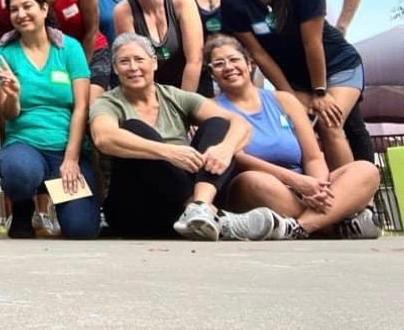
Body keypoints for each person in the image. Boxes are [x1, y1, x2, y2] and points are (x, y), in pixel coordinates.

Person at [89, 33, 269, 241]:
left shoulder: (174, 96)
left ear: (154, 63)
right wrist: (168, 152)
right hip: (137, 210)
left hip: (180, 209)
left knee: (219, 125)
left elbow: (240, 125)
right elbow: (104, 137)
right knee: (134, 128)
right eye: (124, 62)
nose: (133, 67)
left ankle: (200, 208)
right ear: (115, 68)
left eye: (139, 59)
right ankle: (215, 218)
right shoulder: (108, 103)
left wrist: (225, 149)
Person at [206, 35, 381, 239]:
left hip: (305, 186)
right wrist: (296, 181)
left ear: (249, 63)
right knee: (254, 181)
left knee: (366, 170)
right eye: (219, 64)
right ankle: (332, 225)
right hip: (259, 187)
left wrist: (317, 188)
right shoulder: (211, 108)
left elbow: (313, 157)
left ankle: (300, 227)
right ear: (212, 73)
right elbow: (238, 159)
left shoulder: (284, 100)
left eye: (234, 59)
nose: (228, 67)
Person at [221, 0, 366, 170]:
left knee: (330, 124)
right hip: (294, 79)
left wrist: (319, 92)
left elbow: (313, 44)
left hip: (338, 66)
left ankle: (356, 202)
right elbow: (260, 55)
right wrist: (289, 97)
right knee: (298, 127)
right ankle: (315, 191)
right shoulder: (233, 3)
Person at [257, 0, 374, 162]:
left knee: (346, 122)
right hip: (290, 61)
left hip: (325, 52)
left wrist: (341, 25)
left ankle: (364, 194)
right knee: (305, 126)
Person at [0, 0, 100, 239]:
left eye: (27, 6)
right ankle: (22, 207)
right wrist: (13, 95)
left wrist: (71, 159)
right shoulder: (5, 51)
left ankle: (60, 197)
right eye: (14, 9)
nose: (21, 14)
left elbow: (81, 106)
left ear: (43, 8)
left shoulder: (69, 48)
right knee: (19, 172)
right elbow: (8, 114)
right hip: (25, 143)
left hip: (65, 148)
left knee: (81, 230)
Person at [114, 0, 204, 93]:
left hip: (192, 82)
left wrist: (183, 105)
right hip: (151, 88)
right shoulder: (123, 11)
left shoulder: (183, 3)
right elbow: (135, 65)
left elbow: (194, 60)